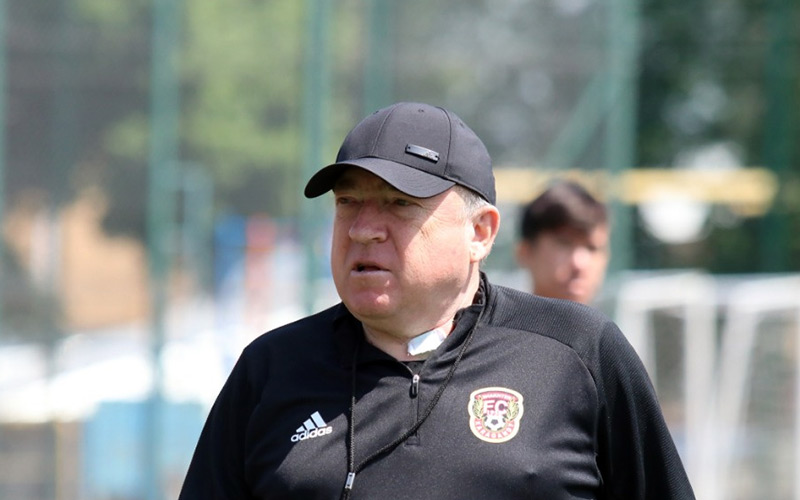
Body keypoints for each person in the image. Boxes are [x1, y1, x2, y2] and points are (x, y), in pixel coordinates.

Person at [178, 102, 694, 499]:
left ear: (480, 232)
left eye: (400, 203)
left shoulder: (578, 353)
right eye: (348, 202)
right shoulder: (272, 368)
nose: (362, 228)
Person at [515, 180, 610, 305]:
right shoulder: (497, 316)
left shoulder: (617, 318)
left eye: (592, 248)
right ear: (525, 252)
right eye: (564, 244)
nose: (579, 264)